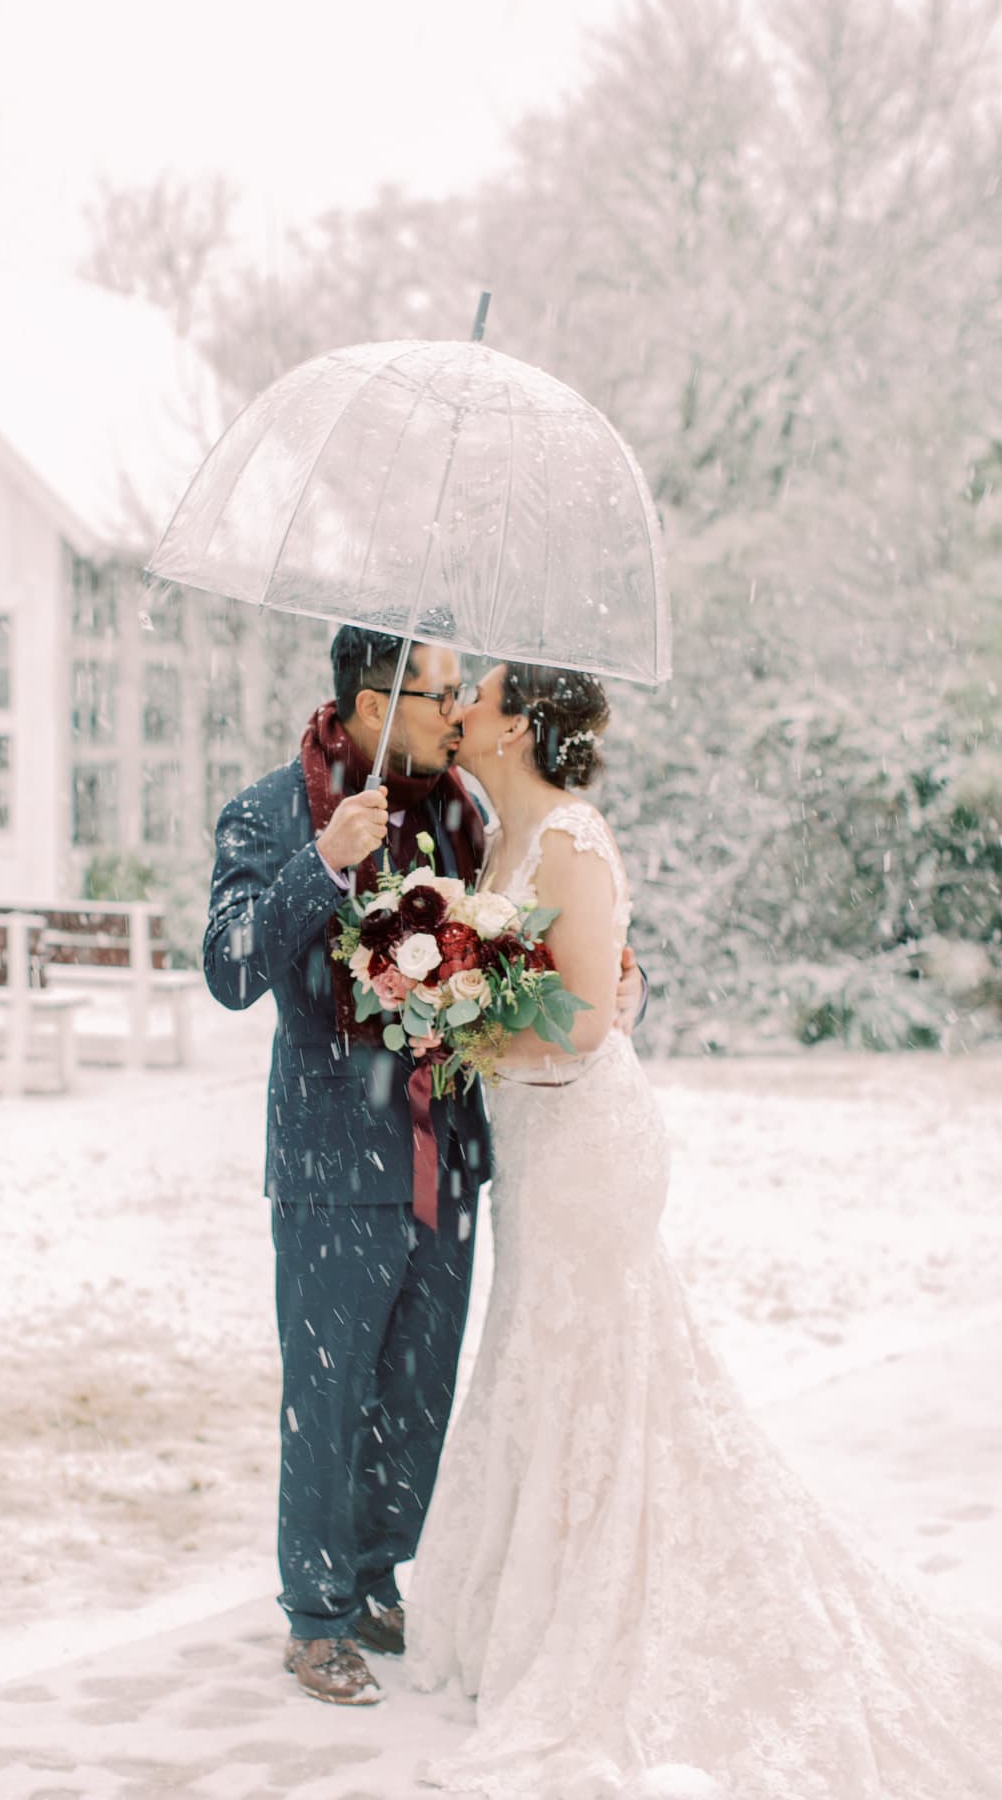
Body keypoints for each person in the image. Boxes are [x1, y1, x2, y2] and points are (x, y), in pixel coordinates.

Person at [406, 661, 1002, 1799]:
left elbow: (580, 1025)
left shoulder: (569, 841)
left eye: (475, 696)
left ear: (519, 726)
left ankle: (608, 1610)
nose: (458, 711)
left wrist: (458, 1033)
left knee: (598, 1366)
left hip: (586, 1146)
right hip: (535, 1153)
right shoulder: (491, 842)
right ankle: (540, 1598)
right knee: (543, 1357)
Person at [203, 627, 647, 1707]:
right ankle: (313, 1619)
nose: (455, 715)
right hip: (332, 1158)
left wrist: (623, 989)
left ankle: (372, 1577)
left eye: (462, 695)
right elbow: (225, 968)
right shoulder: (272, 812)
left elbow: (542, 944)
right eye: (437, 695)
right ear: (368, 705)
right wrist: (323, 867)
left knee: (415, 1393)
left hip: (447, 1155)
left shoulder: (461, 810)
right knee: (329, 1390)